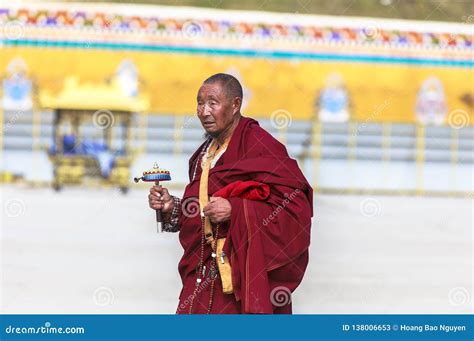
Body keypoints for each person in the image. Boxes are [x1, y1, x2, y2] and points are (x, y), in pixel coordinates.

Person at [148, 73, 313, 314]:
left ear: (235, 105)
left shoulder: (259, 145)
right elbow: (201, 207)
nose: (204, 112)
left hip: (238, 282)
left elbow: (295, 209)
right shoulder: (204, 153)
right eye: (200, 103)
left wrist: (236, 210)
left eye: (213, 103)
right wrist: (171, 207)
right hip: (200, 282)